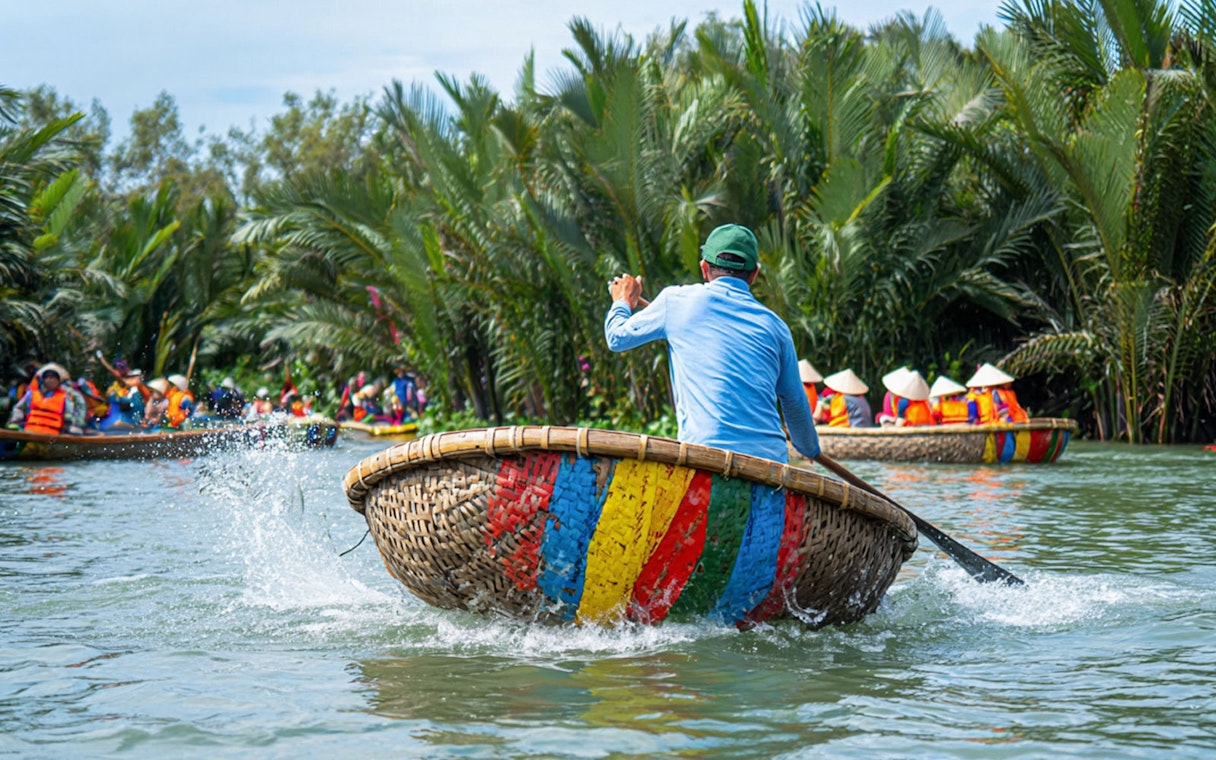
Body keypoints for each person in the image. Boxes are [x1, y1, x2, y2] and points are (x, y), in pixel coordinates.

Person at [604, 223, 819, 463]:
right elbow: (795, 403)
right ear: (754, 274)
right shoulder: (777, 327)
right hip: (769, 462)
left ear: (704, 268)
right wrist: (809, 449)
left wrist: (622, 301)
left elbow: (616, 337)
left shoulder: (675, 301)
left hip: (704, 458)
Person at [10, 365, 83, 435]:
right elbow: (18, 408)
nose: (49, 380)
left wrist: (72, 426)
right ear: (43, 380)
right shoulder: (31, 394)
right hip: (30, 432)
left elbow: (69, 415)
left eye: (52, 377)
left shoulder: (65, 398)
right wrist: (16, 420)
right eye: (47, 377)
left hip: (52, 435)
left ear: (58, 381)